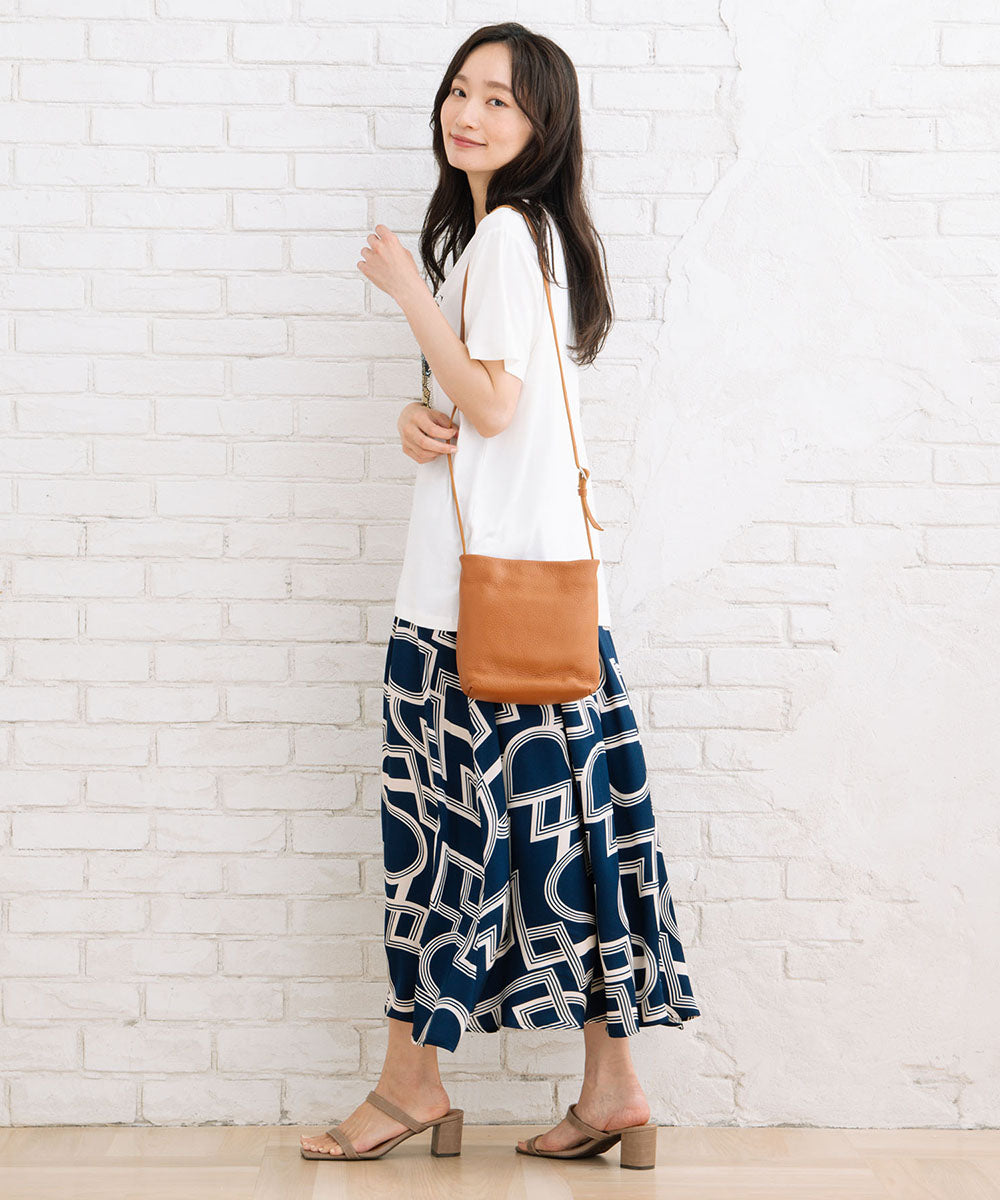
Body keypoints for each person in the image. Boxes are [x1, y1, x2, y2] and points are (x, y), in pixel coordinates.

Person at [301, 21, 700, 1165]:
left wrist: (404, 294)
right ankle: (612, 1088)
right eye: (461, 91)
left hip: (467, 618)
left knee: (437, 843)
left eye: (500, 102)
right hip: (543, 604)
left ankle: (409, 1084)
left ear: (541, 128)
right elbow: (478, 413)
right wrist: (416, 417)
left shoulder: (506, 238)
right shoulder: (517, 242)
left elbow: (492, 404)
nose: (468, 115)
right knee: (570, 840)